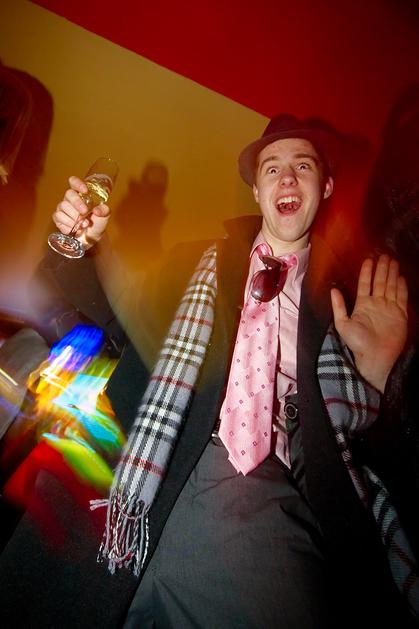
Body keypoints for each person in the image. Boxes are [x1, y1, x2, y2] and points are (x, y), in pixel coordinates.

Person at [0, 114, 416, 628]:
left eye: (303, 166)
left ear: (325, 186)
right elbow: (112, 318)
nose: (286, 177)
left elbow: (362, 458)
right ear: (257, 191)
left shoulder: (344, 306)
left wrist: (378, 376)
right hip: (126, 470)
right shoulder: (191, 261)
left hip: (255, 498)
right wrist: (77, 245)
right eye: (271, 168)